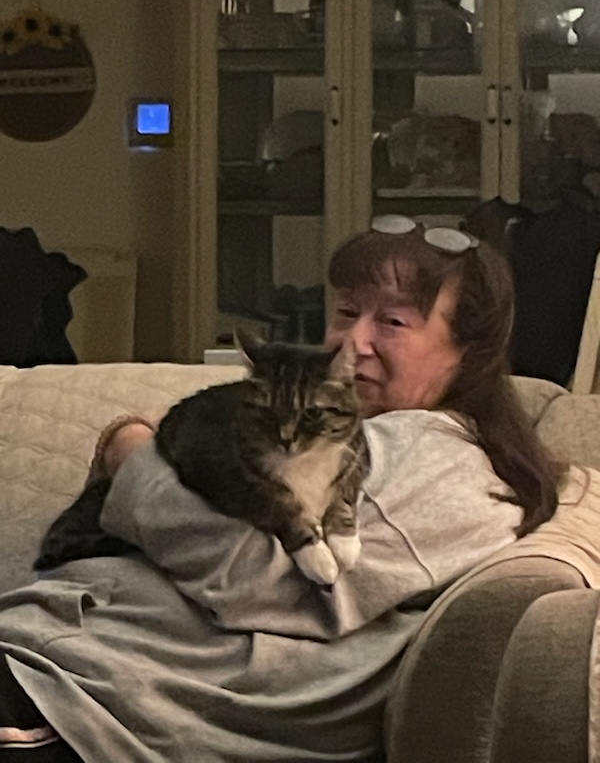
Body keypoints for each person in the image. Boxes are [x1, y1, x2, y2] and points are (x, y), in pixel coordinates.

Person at [0, 216, 564, 763]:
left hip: (88, 698)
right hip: (52, 656)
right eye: (346, 312)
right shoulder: (321, 422)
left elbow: (243, 580)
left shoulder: (440, 462)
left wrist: (130, 454)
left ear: (470, 352)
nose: (354, 341)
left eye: (393, 322)